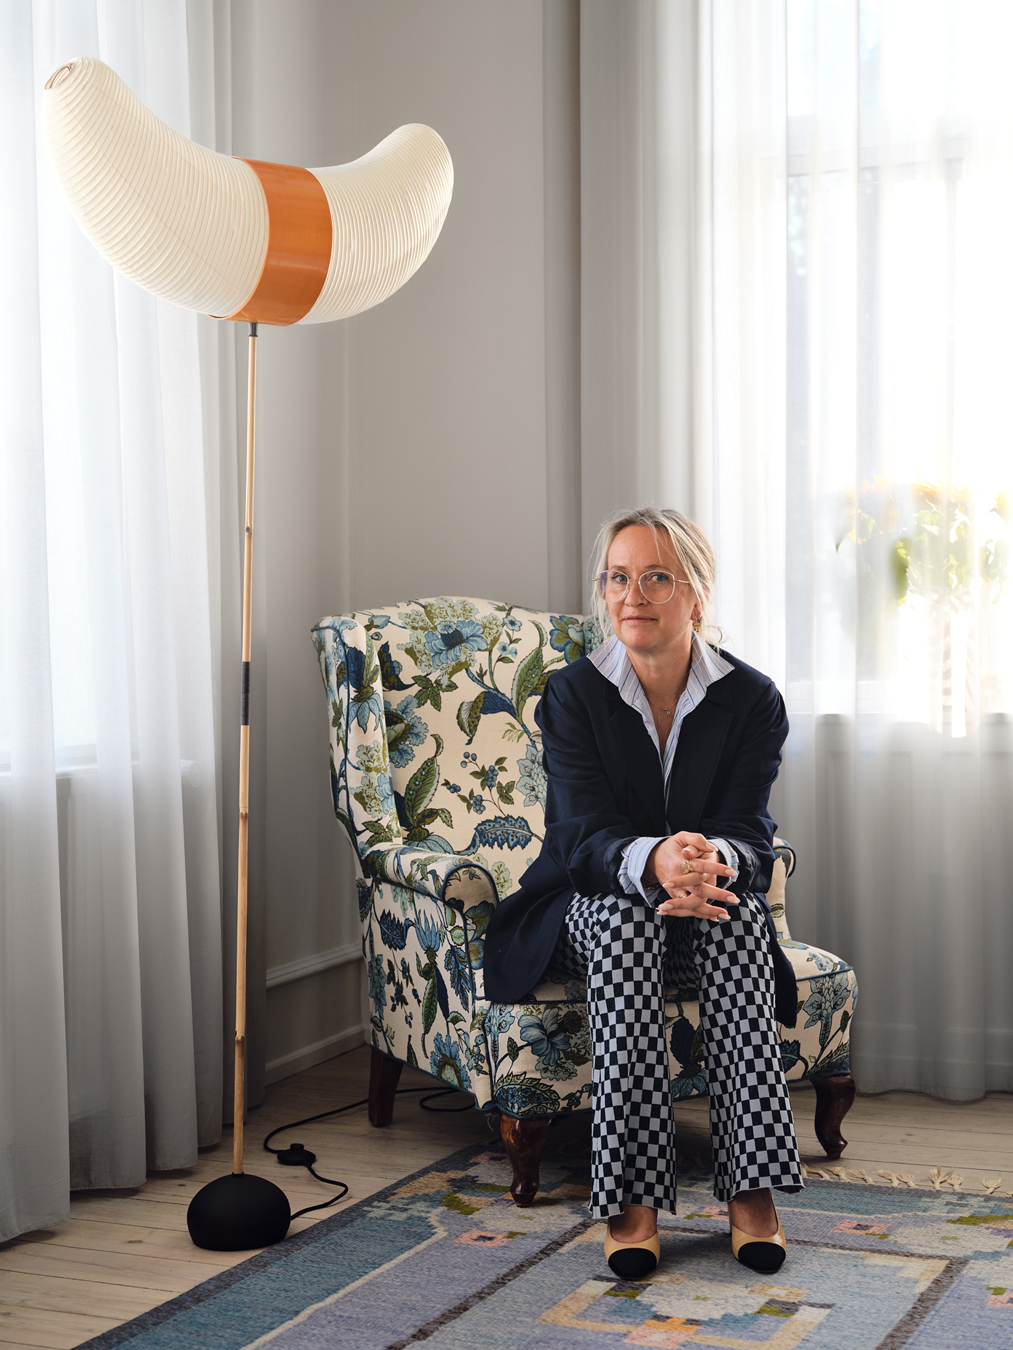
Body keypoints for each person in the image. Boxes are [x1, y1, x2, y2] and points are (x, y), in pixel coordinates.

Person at [484, 506, 802, 1278]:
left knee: (731, 920)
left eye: (656, 576)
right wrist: (654, 860)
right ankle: (631, 1203)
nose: (633, 595)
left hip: (703, 900)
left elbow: (748, 835)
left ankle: (751, 1194)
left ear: (695, 592)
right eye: (618, 578)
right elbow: (577, 838)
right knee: (628, 924)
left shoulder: (752, 699)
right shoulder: (572, 694)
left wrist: (700, 864)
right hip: (584, 903)